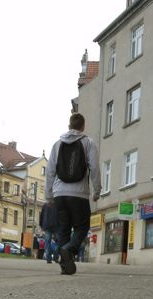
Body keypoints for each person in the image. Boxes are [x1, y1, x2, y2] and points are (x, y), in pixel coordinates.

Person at [44, 112, 100, 275]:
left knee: (64, 230)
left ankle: (65, 266)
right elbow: (95, 168)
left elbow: (50, 171)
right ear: (83, 126)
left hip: (59, 193)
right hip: (79, 194)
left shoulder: (57, 144)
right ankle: (69, 249)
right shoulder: (88, 143)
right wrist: (97, 190)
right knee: (82, 227)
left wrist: (48, 195)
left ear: (69, 126)